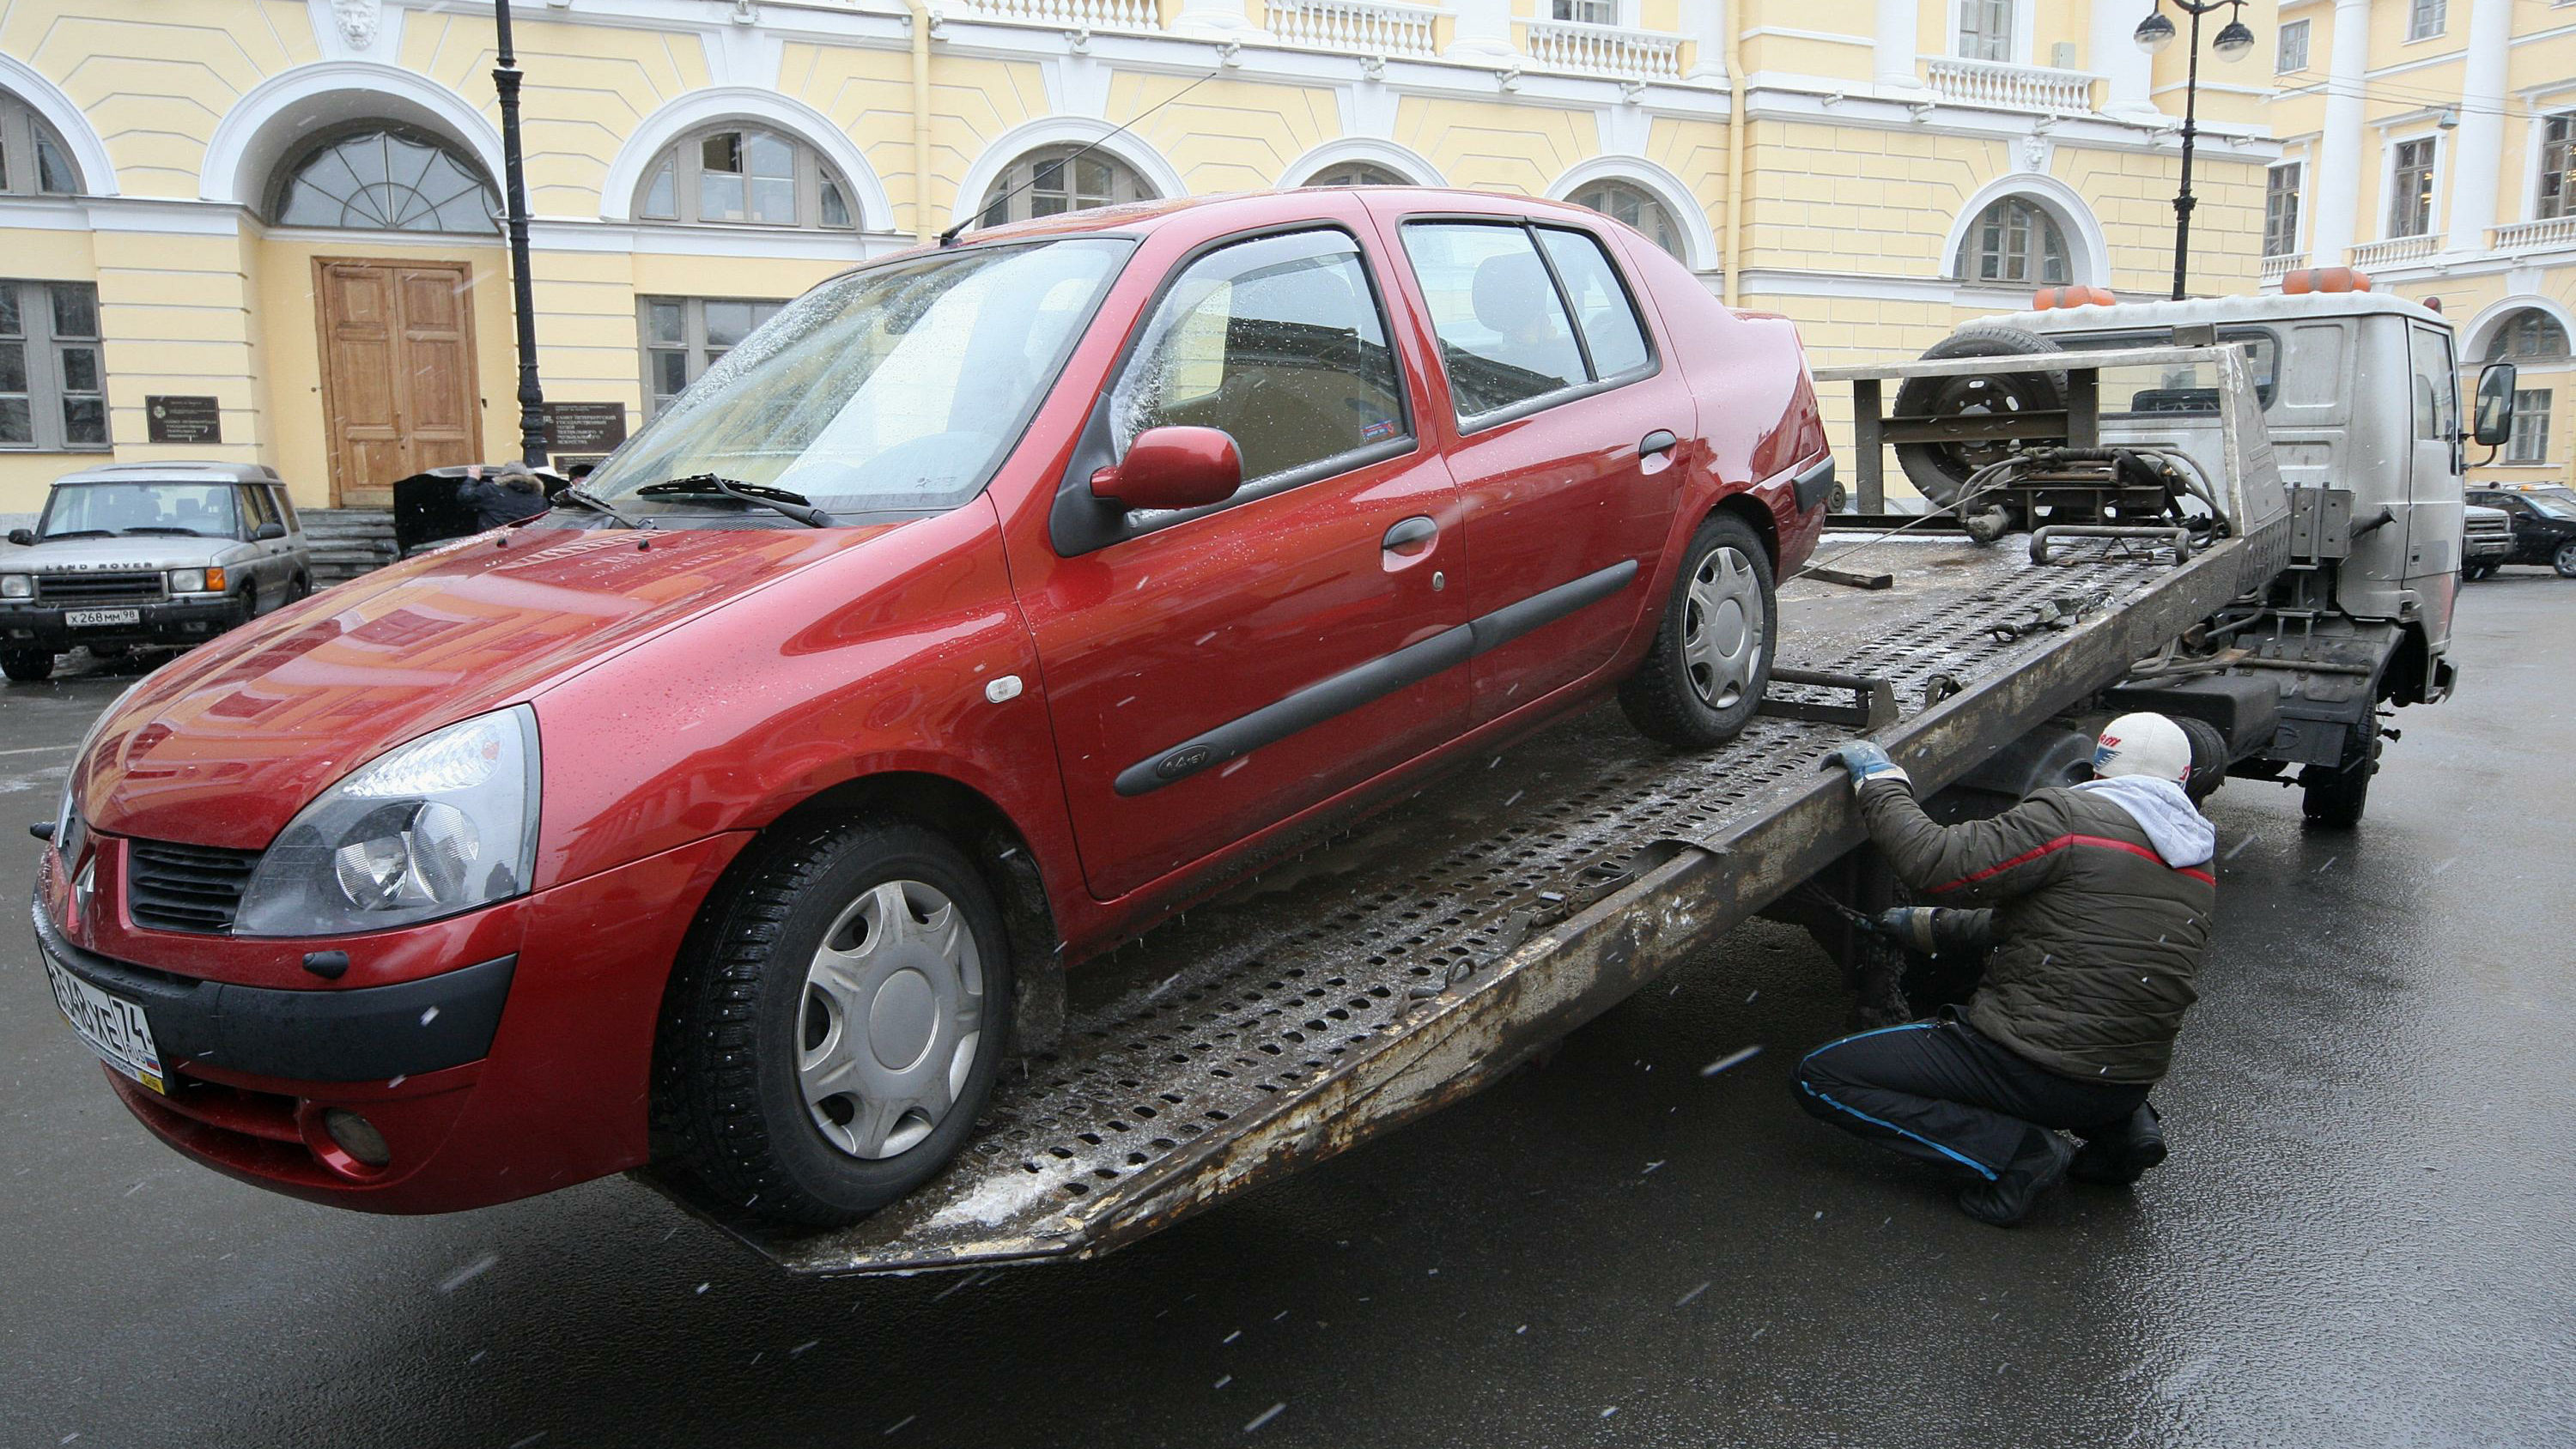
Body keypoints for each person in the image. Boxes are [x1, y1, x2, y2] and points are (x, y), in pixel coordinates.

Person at [1794, 712, 2217, 1227]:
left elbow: (1935, 860)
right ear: (2182, 780)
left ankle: (2015, 1156)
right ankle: (2122, 1130)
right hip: (2124, 1081)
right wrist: (1926, 927)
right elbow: (2043, 928)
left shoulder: (2068, 817)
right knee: (2098, 1017)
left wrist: (1879, 781)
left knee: (1823, 1077)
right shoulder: (2195, 857)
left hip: (2035, 1070)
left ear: (2099, 768)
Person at [456, 461, 551, 532]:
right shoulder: (539, 499)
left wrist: (472, 478)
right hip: (526, 544)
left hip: (494, 543)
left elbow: (465, 496)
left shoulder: (491, 490)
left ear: (502, 476)